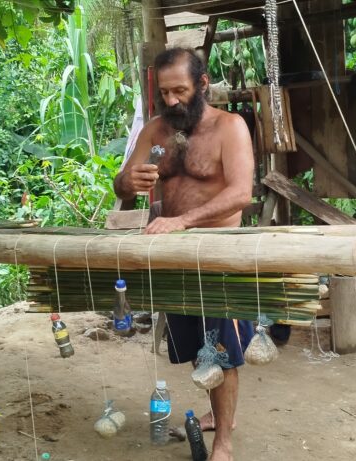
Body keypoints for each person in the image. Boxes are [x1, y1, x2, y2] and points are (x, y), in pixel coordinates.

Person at [113, 47, 254, 461]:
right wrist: (127, 180)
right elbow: (122, 187)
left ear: (203, 85)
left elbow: (241, 193)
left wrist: (184, 220)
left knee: (223, 351)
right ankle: (215, 415)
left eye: (180, 90)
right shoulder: (155, 132)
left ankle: (224, 443)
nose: (172, 101)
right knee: (197, 347)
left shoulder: (231, 127)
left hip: (218, 254)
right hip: (173, 253)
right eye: (164, 93)